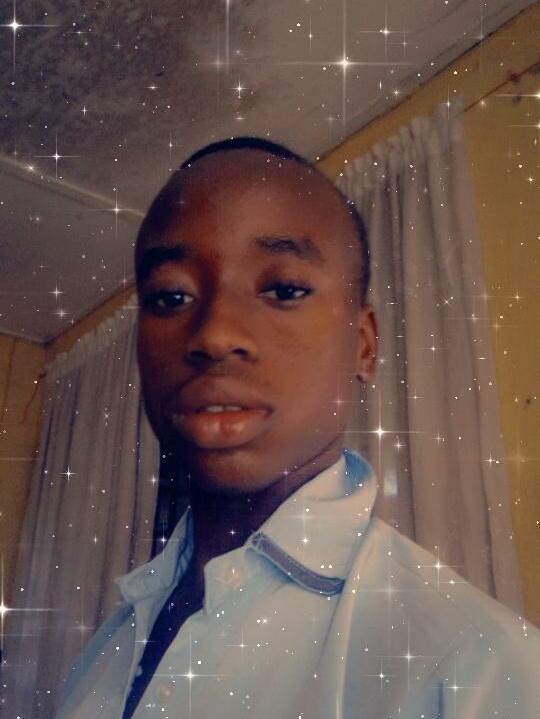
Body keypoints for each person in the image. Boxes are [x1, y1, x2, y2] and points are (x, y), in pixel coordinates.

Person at [56, 137, 540, 719]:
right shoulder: (107, 644)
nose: (214, 334)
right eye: (171, 296)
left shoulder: (473, 667)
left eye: (283, 290)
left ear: (363, 346)